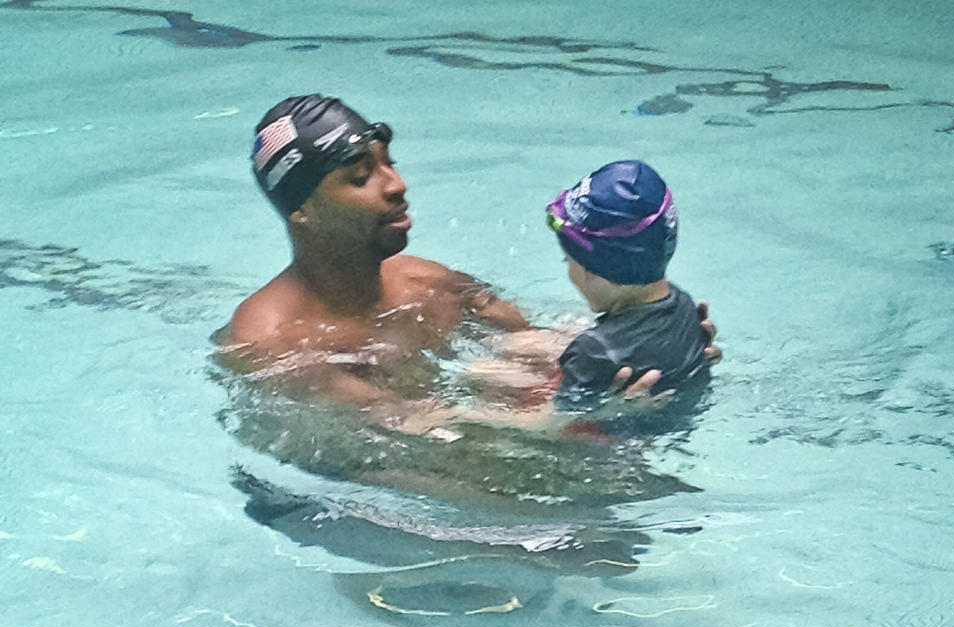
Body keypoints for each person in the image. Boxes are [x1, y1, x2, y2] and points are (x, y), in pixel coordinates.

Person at [219, 94, 719, 432]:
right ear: (301, 210)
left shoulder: (431, 283)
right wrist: (590, 414)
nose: (397, 184)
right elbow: (411, 431)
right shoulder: (270, 343)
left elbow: (540, 349)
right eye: (360, 176)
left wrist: (652, 347)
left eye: (389, 162)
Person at [468, 159, 708, 418]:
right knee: (512, 346)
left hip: (602, 444)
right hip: (664, 416)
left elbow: (551, 423)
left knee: (481, 375)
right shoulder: (684, 305)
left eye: (568, 261)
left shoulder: (593, 350)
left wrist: (454, 415)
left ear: (597, 270)